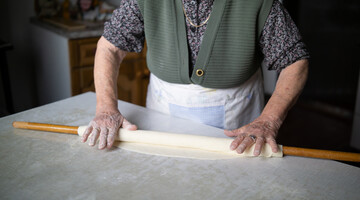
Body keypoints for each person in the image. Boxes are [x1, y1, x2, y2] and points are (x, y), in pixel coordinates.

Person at [81, 0, 309, 156]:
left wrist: (268, 121)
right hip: (163, 110)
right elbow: (109, 48)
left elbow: (295, 61)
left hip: (238, 118)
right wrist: (106, 109)